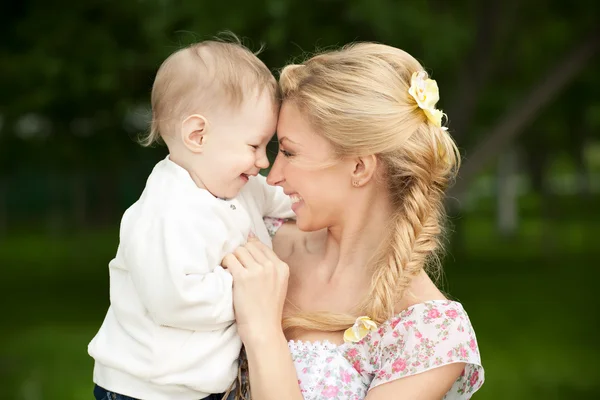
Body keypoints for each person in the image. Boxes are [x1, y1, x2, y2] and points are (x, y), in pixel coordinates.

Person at [223, 42, 485, 399]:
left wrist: (263, 332)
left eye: (289, 151)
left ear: (359, 167)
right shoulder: (255, 230)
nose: (273, 176)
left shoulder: (431, 333)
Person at [88, 37, 294, 400]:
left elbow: (286, 200)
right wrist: (248, 289)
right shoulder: (166, 212)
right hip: (148, 387)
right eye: (254, 146)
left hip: (198, 386)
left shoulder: (240, 185)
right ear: (198, 135)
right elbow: (176, 300)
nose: (263, 162)